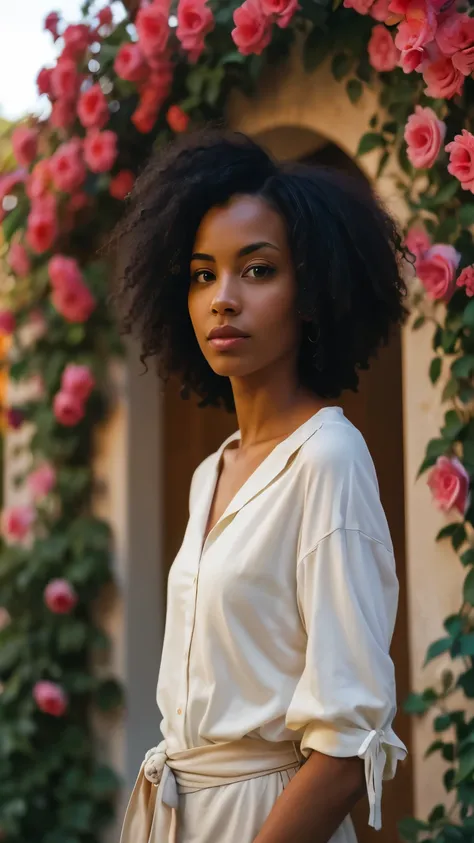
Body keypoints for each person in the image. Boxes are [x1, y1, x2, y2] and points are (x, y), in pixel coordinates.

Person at [112, 129, 408, 843]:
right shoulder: (210, 471)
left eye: (257, 269)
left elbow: (345, 742)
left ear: (310, 290)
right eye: (202, 274)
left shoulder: (328, 459)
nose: (223, 299)